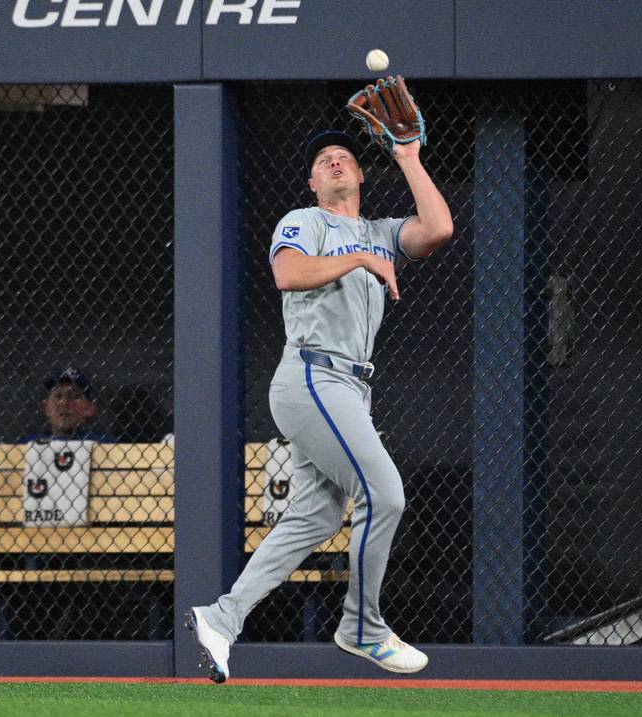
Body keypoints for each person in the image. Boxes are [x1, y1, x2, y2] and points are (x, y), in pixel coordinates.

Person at [186, 128, 453, 682]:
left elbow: (439, 228)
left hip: (349, 388)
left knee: (317, 515)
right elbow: (287, 272)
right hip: (313, 375)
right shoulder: (305, 221)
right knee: (385, 494)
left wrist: (407, 158)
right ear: (312, 182)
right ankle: (363, 627)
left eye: (345, 158)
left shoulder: (380, 232)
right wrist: (357, 257)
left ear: (359, 175)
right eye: (323, 161)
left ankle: (222, 616)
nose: (334, 163)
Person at [21, 367, 114, 443]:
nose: (64, 403)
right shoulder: (28, 444)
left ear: (90, 408)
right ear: (46, 407)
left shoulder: (104, 445)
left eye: (74, 396)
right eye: (58, 396)